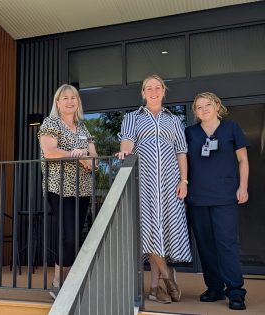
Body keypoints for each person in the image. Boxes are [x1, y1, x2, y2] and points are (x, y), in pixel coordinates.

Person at [116, 74, 190, 304]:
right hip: (144, 182)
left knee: (163, 231)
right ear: (143, 92)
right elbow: (127, 141)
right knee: (150, 230)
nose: (154, 91)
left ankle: (155, 288)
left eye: (158, 87)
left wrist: (184, 181)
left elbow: (181, 152)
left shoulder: (174, 120)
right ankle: (168, 278)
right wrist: (124, 151)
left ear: (164, 91)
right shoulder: (132, 117)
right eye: (149, 88)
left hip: (170, 182)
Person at [185, 92, 249, 310]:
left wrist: (243, 187)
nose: (204, 109)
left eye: (208, 105)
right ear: (195, 112)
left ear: (217, 106)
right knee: (205, 245)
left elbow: (243, 160)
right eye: (199, 107)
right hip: (197, 197)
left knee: (227, 244)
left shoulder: (231, 128)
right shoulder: (190, 133)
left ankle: (235, 291)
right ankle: (214, 287)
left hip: (225, 196)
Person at [38, 84, 98, 299]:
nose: (70, 101)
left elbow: (93, 156)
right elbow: (50, 151)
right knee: (68, 236)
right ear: (58, 102)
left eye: (74, 97)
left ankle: (68, 281)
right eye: (65, 98)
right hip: (59, 187)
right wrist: (76, 155)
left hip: (82, 189)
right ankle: (57, 281)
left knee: (75, 235)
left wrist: (91, 162)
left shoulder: (83, 127)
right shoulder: (51, 123)